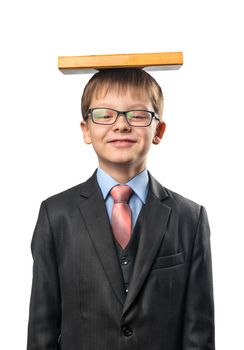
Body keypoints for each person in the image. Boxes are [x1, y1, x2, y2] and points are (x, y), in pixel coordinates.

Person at [27, 68, 215, 350]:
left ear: (159, 131)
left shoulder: (190, 219)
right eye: (104, 114)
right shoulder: (56, 216)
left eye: (137, 115)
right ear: (86, 130)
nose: (121, 125)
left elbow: (199, 334)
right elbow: (42, 329)